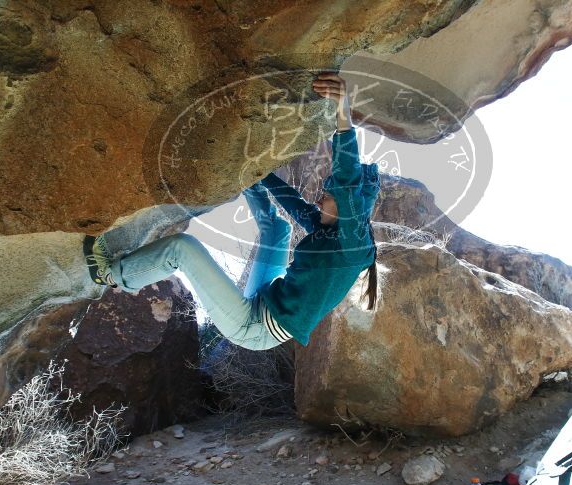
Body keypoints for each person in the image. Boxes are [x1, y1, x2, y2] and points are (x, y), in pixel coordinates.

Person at [83, 72, 380, 351]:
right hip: (266, 298)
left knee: (181, 248)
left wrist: (343, 110)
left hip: (254, 328)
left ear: (347, 206)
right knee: (279, 229)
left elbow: (347, 180)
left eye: (327, 195)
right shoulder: (329, 231)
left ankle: (109, 274)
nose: (318, 200)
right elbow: (292, 202)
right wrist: (255, 174)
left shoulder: (354, 246)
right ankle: (243, 182)